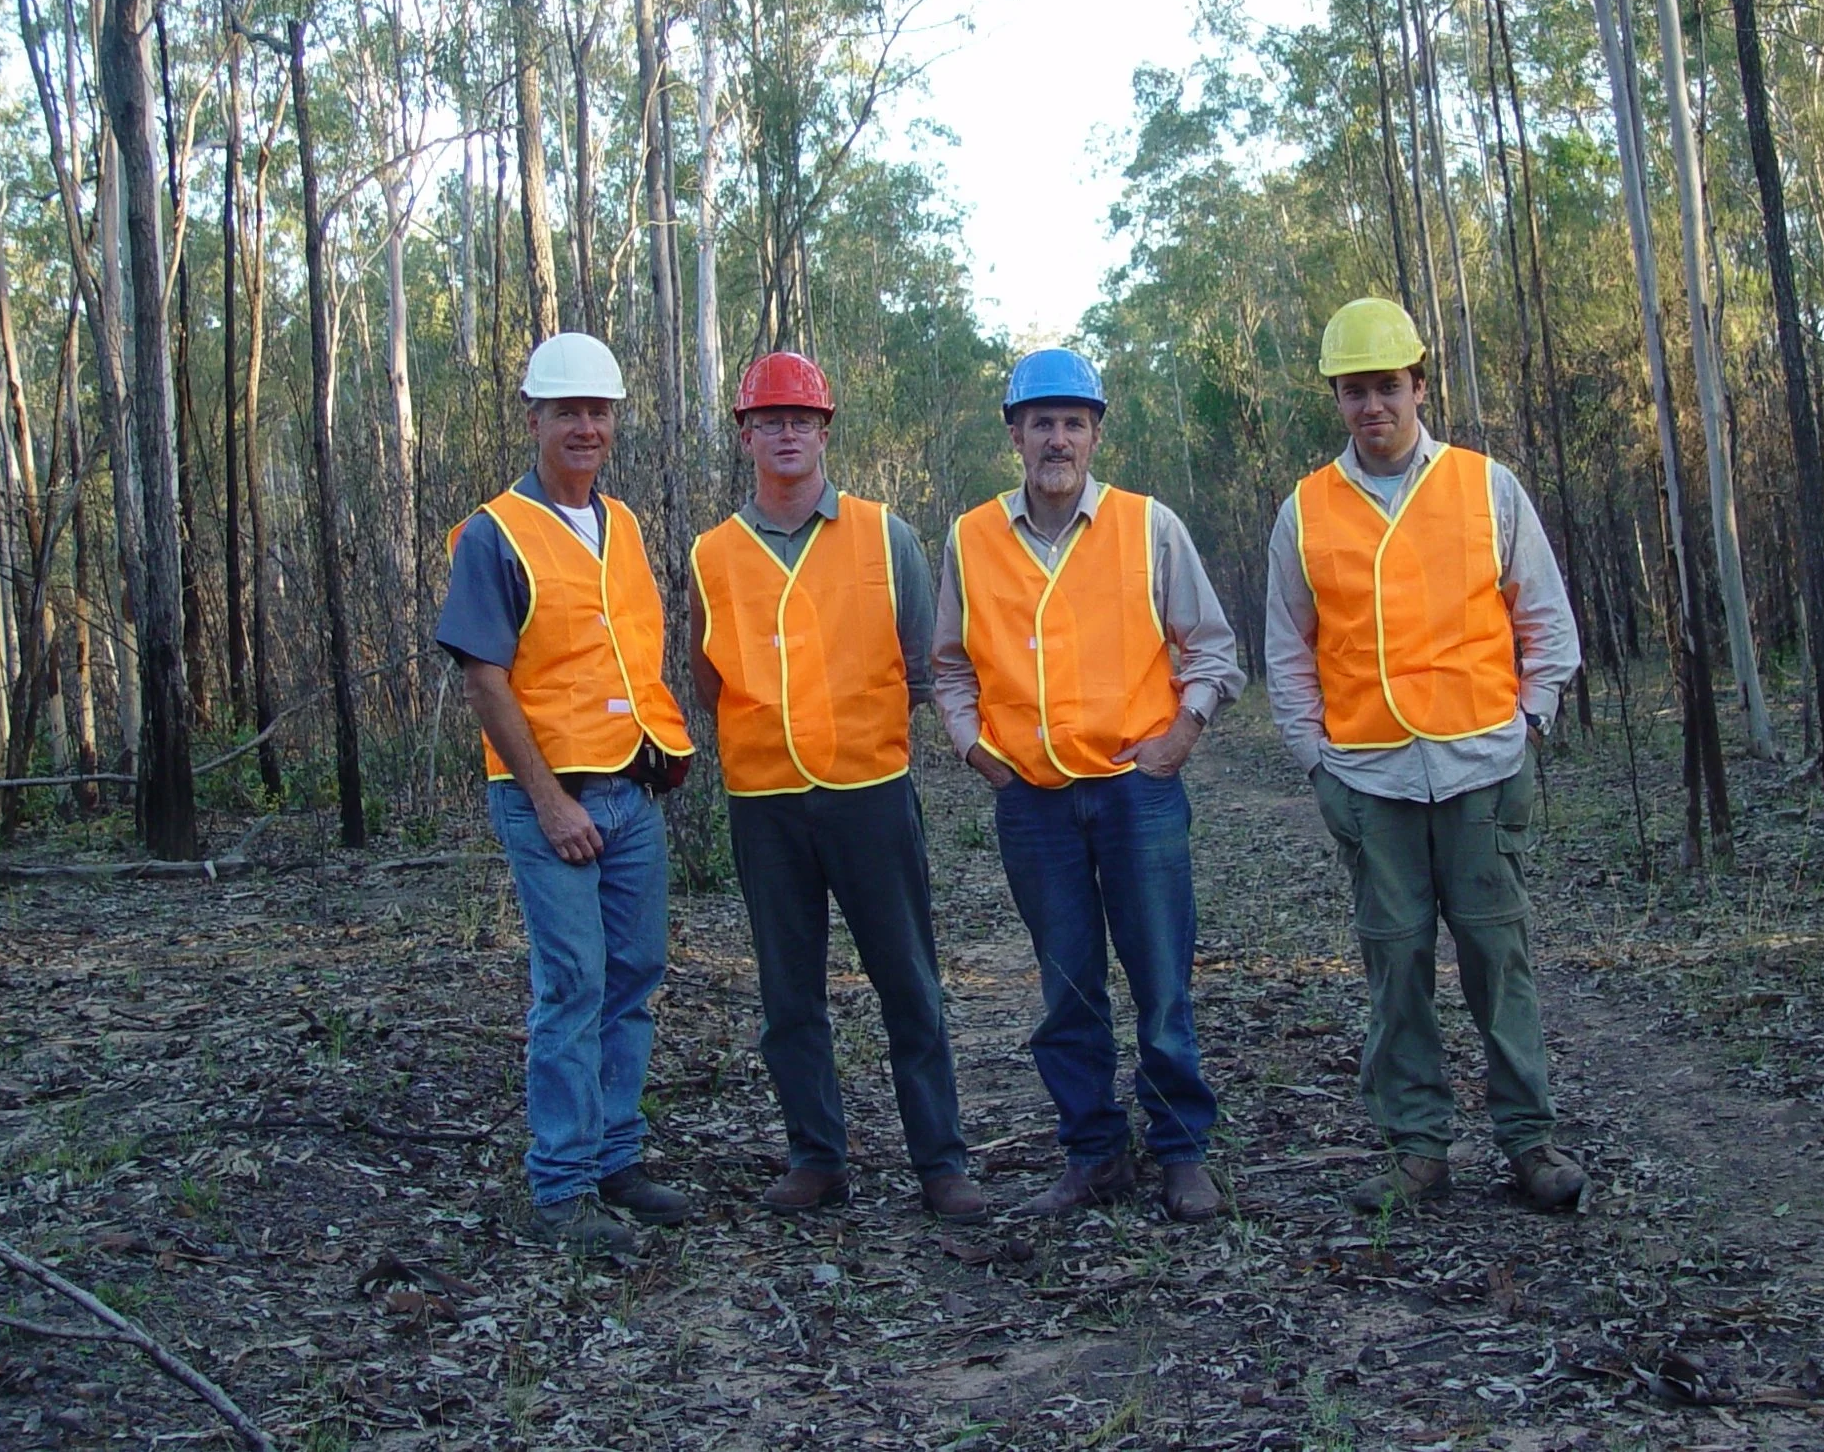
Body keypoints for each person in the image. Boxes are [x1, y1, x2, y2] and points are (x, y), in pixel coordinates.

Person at [1263, 299, 1588, 1215]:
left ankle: (1529, 1142)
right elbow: (1287, 649)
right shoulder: (1305, 509)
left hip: (1485, 770)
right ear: (1338, 398)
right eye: (1355, 391)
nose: (1373, 406)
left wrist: (1531, 721)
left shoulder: (1487, 487)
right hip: (1370, 779)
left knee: (1499, 959)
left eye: (1387, 387)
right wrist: (1314, 760)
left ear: (1419, 385)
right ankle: (1417, 1150)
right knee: (1394, 966)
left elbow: (1545, 619)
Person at [935, 349, 1243, 1223]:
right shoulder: (970, 537)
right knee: (1065, 985)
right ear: (1015, 435)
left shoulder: (1150, 525)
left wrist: (1178, 738)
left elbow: (1212, 647)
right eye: (1041, 423)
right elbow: (948, 665)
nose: (1058, 439)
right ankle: (1095, 1152)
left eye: (1074, 422)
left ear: (1097, 432)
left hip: (1135, 793)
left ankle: (1181, 1151)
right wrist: (973, 748)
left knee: (1161, 980)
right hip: (1031, 800)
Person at [688, 352, 986, 1224]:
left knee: (908, 982)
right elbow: (709, 678)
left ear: (824, 432)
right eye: (769, 420)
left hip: (870, 790)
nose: (787, 433)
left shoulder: (883, 534)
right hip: (764, 798)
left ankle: (941, 1162)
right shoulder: (713, 553)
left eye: (802, 419)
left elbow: (925, 662)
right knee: (789, 993)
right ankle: (817, 1157)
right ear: (745, 435)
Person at [436, 332, 697, 1257]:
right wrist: (549, 801)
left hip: (631, 787)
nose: (585, 427)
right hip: (553, 799)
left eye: (599, 411)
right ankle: (560, 1186)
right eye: (567, 412)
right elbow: (484, 678)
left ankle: (616, 1158)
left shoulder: (622, 523)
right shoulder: (495, 531)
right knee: (573, 983)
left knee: (633, 975)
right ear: (535, 418)